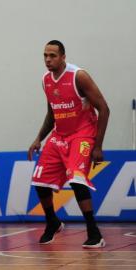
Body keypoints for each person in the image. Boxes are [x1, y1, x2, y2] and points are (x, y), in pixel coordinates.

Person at [28, 40, 110, 248]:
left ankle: (94, 231)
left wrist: (98, 146)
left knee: (77, 179)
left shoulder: (78, 76)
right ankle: (52, 222)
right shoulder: (46, 79)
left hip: (82, 134)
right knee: (39, 180)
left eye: (53, 55)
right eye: (45, 55)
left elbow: (104, 109)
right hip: (59, 135)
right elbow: (51, 114)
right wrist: (39, 138)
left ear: (63, 57)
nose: (48, 60)